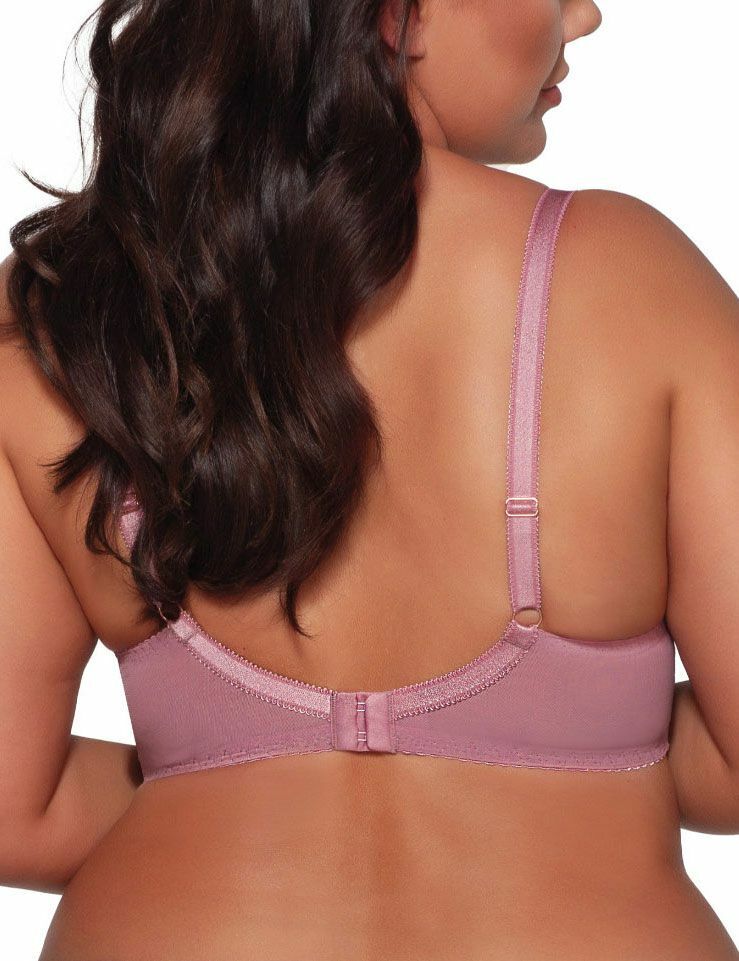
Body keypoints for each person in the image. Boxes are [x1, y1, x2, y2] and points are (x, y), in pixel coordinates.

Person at [0, 0, 737, 958]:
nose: (584, 15)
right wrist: (567, 745)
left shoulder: (57, 317)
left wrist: (236, 771)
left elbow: (17, 813)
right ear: (395, 13)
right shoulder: (633, 278)